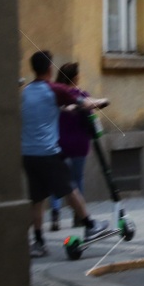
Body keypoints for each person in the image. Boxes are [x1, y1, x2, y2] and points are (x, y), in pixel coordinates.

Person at [21, 51, 97, 258]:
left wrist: (64, 111)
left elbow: (45, 112)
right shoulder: (54, 89)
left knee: (37, 199)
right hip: (48, 152)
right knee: (70, 189)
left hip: (28, 153)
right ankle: (90, 225)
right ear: (49, 69)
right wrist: (100, 102)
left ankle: (38, 242)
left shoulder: (26, 92)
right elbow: (83, 103)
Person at [49, 61, 110, 231]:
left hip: (60, 142)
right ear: (76, 77)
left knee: (58, 180)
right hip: (80, 143)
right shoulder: (82, 95)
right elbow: (90, 115)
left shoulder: (57, 96)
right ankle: (78, 216)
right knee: (77, 179)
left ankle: (55, 214)